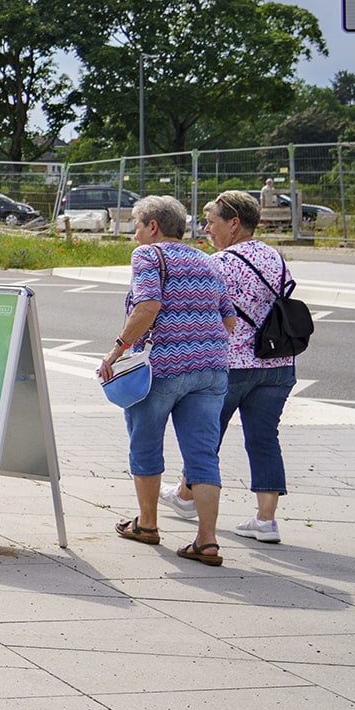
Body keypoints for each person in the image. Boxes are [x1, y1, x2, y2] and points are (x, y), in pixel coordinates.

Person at [99, 195, 232, 566]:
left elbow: (147, 307)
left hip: (163, 368)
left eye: (137, 225)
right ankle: (207, 541)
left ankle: (148, 523)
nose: (135, 233)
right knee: (203, 454)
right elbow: (229, 321)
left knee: (145, 442)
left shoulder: (148, 256)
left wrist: (117, 352)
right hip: (211, 368)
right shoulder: (208, 261)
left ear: (153, 226)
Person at [174, 191, 298, 543]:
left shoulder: (220, 264)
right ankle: (266, 520)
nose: (207, 230)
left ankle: (186, 496)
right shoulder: (275, 256)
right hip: (278, 362)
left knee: (206, 435)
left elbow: (204, 313)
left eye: (212, 222)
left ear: (234, 223)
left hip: (232, 364)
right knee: (263, 438)